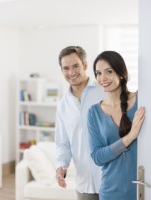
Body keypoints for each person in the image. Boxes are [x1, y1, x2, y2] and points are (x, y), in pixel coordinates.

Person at [87, 51, 145, 200]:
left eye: (109, 71)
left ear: (121, 74)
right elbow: (97, 157)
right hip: (111, 192)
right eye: (98, 73)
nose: (102, 78)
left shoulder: (142, 101)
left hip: (143, 190)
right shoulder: (94, 112)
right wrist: (130, 137)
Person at [55, 46, 106, 200]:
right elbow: (62, 142)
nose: (71, 72)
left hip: (110, 179)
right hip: (84, 184)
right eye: (66, 68)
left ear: (85, 65)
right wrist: (61, 166)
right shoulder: (63, 105)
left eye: (76, 66)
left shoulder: (104, 91)